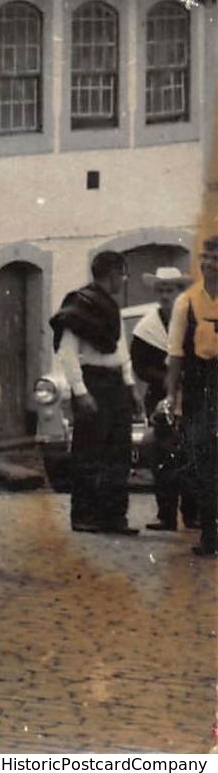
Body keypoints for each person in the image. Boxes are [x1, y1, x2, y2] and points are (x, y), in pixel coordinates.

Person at [51, 251, 139, 535]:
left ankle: (114, 516)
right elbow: (67, 353)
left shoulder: (111, 308)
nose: (123, 280)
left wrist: (129, 384)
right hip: (93, 383)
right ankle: (84, 515)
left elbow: (120, 349)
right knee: (89, 451)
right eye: (123, 274)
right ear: (112, 273)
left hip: (115, 384)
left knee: (119, 451)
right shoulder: (80, 306)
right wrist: (81, 391)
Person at [134, 265, 198, 532]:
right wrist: (165, 377)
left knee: (192, 453)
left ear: (180, 292)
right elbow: (140, 364)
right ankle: (166, 514)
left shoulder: (193, 321)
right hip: (162, 397)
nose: (164, 295)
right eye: (160, 290)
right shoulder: (147, 327)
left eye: (169, 290)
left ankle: (192, 513)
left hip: (193, 395)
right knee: (163, 455)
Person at [166, 236, 218, 557]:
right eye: (206, 257)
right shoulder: (186, 302)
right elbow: (174, 354)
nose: (210, 263)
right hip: (200, 387)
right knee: (204, 460)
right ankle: (210, 534)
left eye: (217, 257)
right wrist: (171, 395)